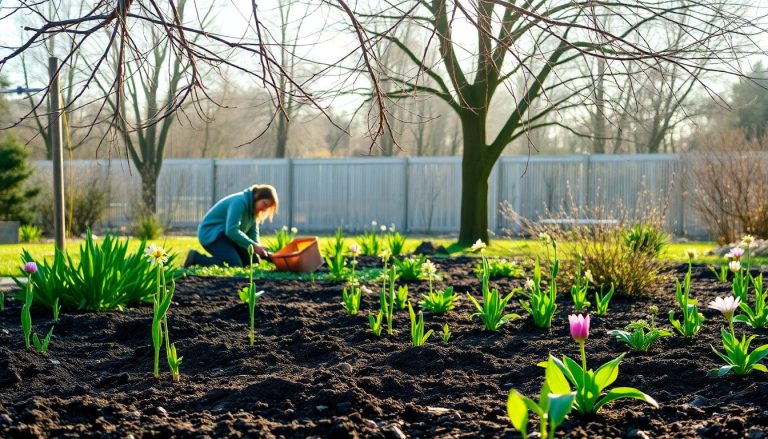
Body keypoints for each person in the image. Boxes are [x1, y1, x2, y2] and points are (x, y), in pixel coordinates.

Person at [184, 184, 278, 268]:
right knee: (235, 264)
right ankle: (195, 257)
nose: (264, 209)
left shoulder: (253, 212)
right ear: (257, 196)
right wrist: (254, 246)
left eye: (267, 208)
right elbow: (231, 230)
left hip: (226, 236)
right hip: (212, 234)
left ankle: (225, 257)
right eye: (264, 204)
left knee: (252, 262)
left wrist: (259, 250)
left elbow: (253, 234)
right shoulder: (240, 202)